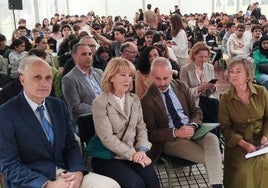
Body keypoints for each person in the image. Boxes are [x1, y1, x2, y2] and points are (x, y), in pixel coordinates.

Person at [0, 55, 120, 188]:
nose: (44, 83)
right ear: (22, 79)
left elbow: (71, 144)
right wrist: (47, 185)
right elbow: (9, 165)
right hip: (33, 180)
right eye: (37, 77)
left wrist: (78, 171)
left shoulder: (57, 105)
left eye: (48, 77)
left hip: (66, 172)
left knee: (110, 185)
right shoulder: (6, 113)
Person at [140, 57, 223, 188]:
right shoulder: (147, 100)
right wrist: (176, 132)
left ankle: (217, 186)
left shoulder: (181, 86)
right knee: (211, 157)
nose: (162, 83)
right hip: (171, 140)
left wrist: (192, 125)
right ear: (152, 76)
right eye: (158, 79)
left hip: (192, 130)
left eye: (166, 78)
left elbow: (196, 110)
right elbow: (151, 134)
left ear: (172, 74)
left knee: (212, 139)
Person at [90, 57, 160, 188]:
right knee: (135, 184)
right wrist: (133, 154)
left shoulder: (134, 99)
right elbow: (107, 138)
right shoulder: (100, 102)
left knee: (152, 179)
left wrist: (142, 149)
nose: (128, 79)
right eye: (122, 75)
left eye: (130, 75)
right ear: (111, 78)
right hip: (109, 156)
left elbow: (141, 128)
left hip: (134, 153)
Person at [219, 56, 268, 188]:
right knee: (245, 170)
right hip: (238, 146)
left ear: (248, 75)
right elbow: (225, 128)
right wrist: (244, 144)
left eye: (238, 71)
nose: (233, 74)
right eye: (231, 71)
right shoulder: (225, 98)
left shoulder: (261, 92)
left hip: (262, 143)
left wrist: (265, 136)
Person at [61, 43, 102, 133]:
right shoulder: (69, 79)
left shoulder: (99, 73)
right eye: (84, 54)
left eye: (90, 54)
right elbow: (76, 107)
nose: (88, 57)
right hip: (87, 120)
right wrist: (101, 111)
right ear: (74, 57)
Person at [180, 42, 219, 129]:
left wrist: (212, 87)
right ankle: (210, 132)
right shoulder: (185, 69)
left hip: (207, 97)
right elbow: (183, 92)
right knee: (211, 107)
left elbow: (211, 91)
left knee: (216, 104)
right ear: (194, 55)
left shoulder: (210, 67)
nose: (204, 59)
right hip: (193, 100)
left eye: (206, 57)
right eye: (201, 57)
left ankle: (215, 133)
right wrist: (199, 88)